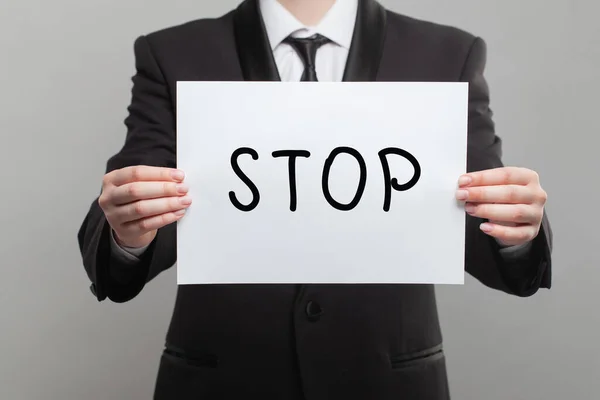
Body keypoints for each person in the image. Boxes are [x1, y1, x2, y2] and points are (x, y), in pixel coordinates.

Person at [77, 0, 553, 398]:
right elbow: (129, 210)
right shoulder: (172, 53)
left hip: (386, 380)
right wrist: (127, 230)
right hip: (224, 379)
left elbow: (482, 226)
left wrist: (518, 229)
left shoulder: (447, 54)